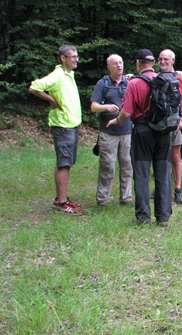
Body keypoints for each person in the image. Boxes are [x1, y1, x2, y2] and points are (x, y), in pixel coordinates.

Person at [108, 49, 172, 226]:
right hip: (164, 131)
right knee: (163, 172)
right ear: (153, 62)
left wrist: (117, 120)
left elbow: (127, 112)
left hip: (143, 131)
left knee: (142, 173)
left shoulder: (134, 83)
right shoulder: (165, 79)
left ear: (138, 63)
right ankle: (163, 216)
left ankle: (144, 217)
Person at [29, 44, 84, 214]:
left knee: (65, 162)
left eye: (76, 56)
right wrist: (50, 99)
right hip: (63, 126)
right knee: (64, 163)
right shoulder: (58, 75)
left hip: (72, 124)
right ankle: (61, 203)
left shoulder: (69, 74)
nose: (76, 59)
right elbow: (34, 87)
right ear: (63, 58)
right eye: (72, 56)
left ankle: (63, 198)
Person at [90, 54, 133, 207]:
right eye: (115, 63)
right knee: (107, 165)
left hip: (127, 131)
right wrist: (106, 107)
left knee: (127, 165)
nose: (119, 66)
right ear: (109, 67)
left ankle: (126, 197)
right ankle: (103, 199)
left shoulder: (129, 83)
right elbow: (93, 106)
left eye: (121, 62)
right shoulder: (103, 84)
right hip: (108, 132)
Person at [158, 49, 182, 205]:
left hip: (174, 122)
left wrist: (181, 119)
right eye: (160, 59)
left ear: (173, 61)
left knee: (175, 156)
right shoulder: (156, 77)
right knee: (159, 156)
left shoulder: (179, 78)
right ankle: (161, 188)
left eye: (166, 59)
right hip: (158, 123)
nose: (163, 62)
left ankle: (178, 189)